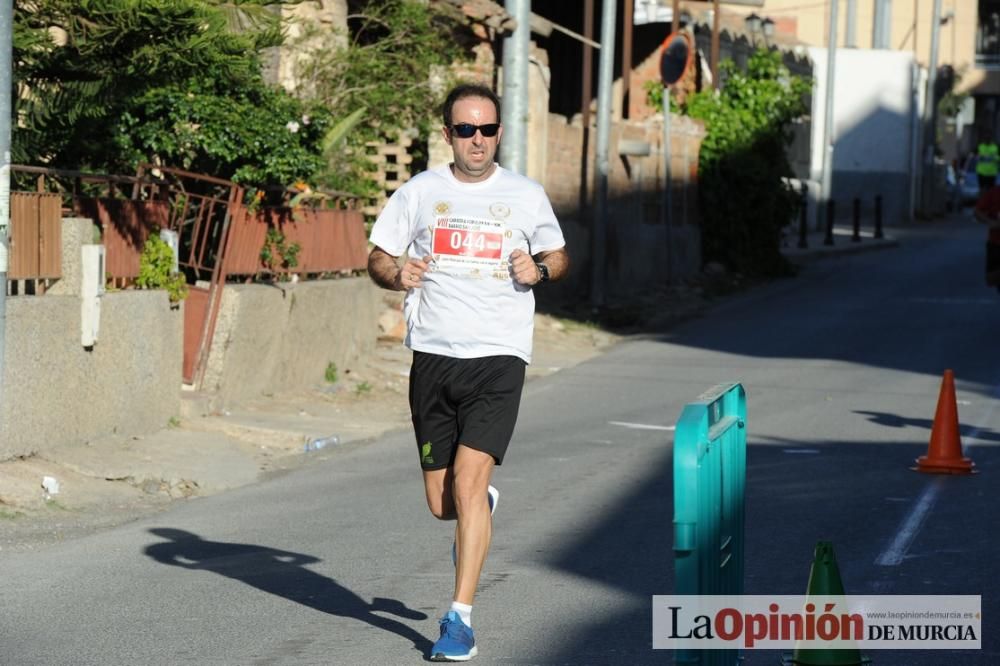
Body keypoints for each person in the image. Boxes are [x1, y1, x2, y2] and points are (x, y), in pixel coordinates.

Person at [367, 82, 569, 661]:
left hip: (500, 355)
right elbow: (378, 254)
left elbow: (558, 254)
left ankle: (459, 620)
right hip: (432, 354)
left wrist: (540, 272)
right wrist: (396, 271)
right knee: (442, 502)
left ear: (499, 133)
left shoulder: (526, 196)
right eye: (465, 130)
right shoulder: (420, 192)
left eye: (486, 130)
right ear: (448, 134)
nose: (476, 140)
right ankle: (477, 508)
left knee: (469, 481)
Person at [973, 184, 1000, 291]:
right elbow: (977, 212)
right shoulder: (995, 193)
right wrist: (991, 222)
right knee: (994, 280)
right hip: (996, 245)